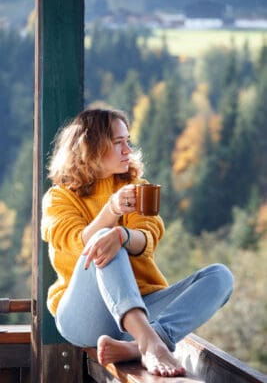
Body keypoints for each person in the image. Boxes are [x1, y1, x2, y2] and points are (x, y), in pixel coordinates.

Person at [41, 107, 234, 377]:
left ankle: (138, 344)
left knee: (220, 276)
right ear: (90, 148)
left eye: (127, 141)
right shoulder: (59, 198)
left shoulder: (137, 187)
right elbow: (76, 243)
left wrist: (124, 235)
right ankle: (150, 343)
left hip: (141, 308)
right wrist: (111, 213)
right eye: (118, 143)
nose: (127, 150)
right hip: (84, 316)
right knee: (103, 240)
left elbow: (149, 237)